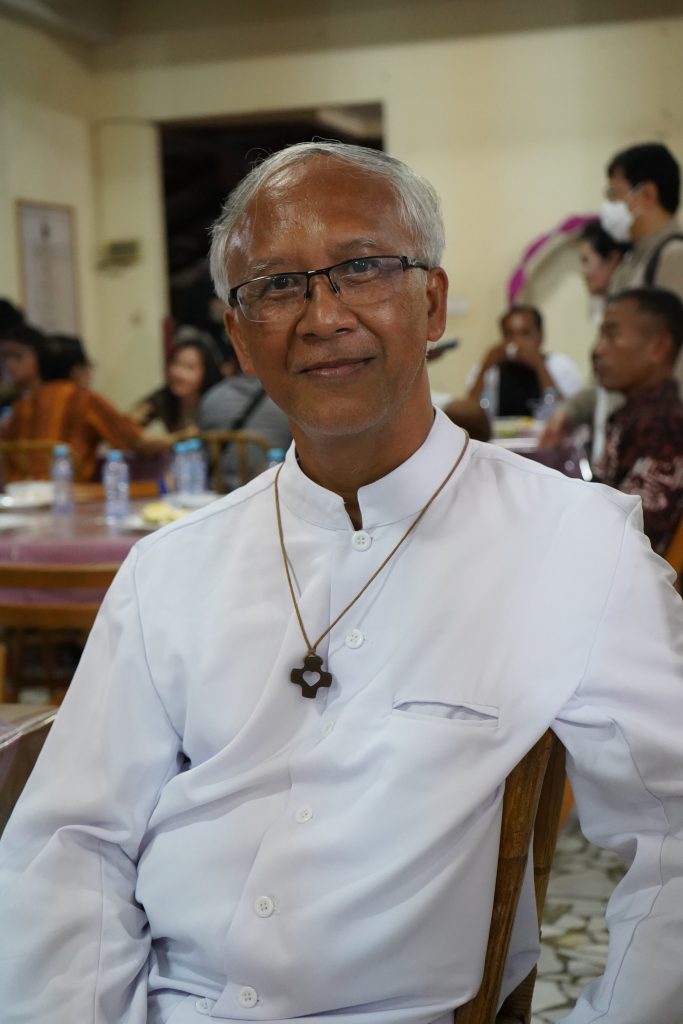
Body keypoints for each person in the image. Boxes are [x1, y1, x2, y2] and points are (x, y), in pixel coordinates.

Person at [0, 142, 682, 1024]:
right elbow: (69, 841)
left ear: (430, 302)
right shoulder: (169, 567)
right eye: (276, 286)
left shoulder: (571, 544)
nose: (322, 316)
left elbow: (671, 828)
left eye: (362, 268)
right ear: (239, 337)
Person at [544, 142, 683, 448]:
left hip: (658, 436)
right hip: (628, 425)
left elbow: (674, 364)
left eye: (613, 193)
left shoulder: (673, 257)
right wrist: (572, 411)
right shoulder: (634, 260)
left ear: (647, 195)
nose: (607, 205)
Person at [593, 287, 683, 556]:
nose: (598, 349)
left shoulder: (665, 428)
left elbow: (631, 543)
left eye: (611, 334)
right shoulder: (634, 415)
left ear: (658, 347)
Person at [1, 333, 143, 482]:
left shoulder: (20, 405)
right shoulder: (84, 399)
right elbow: (131, 441)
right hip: (68, 490)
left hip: (19, 490)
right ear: (77, 370)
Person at [197, 344, 292, 491]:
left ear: (230, 364)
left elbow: (202, 453)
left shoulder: (211, 397)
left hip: (217, 493)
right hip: (269, 491)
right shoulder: (284, 399)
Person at [465, 305, 583, 418]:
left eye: (525, 333)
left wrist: (540, 367)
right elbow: (470, 414)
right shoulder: (491, 371)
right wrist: (485, 368)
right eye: (509, 334)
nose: (518, 341)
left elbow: (567, 414)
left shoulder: (560, 366)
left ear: (540, 336)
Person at [130, 329, 223, 434]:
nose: (178, 373)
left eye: (189, 367)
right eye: (175, 363)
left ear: (207, 372)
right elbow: (129, 424)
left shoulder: (216, 402)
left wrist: (167, 441)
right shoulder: (163, 398)